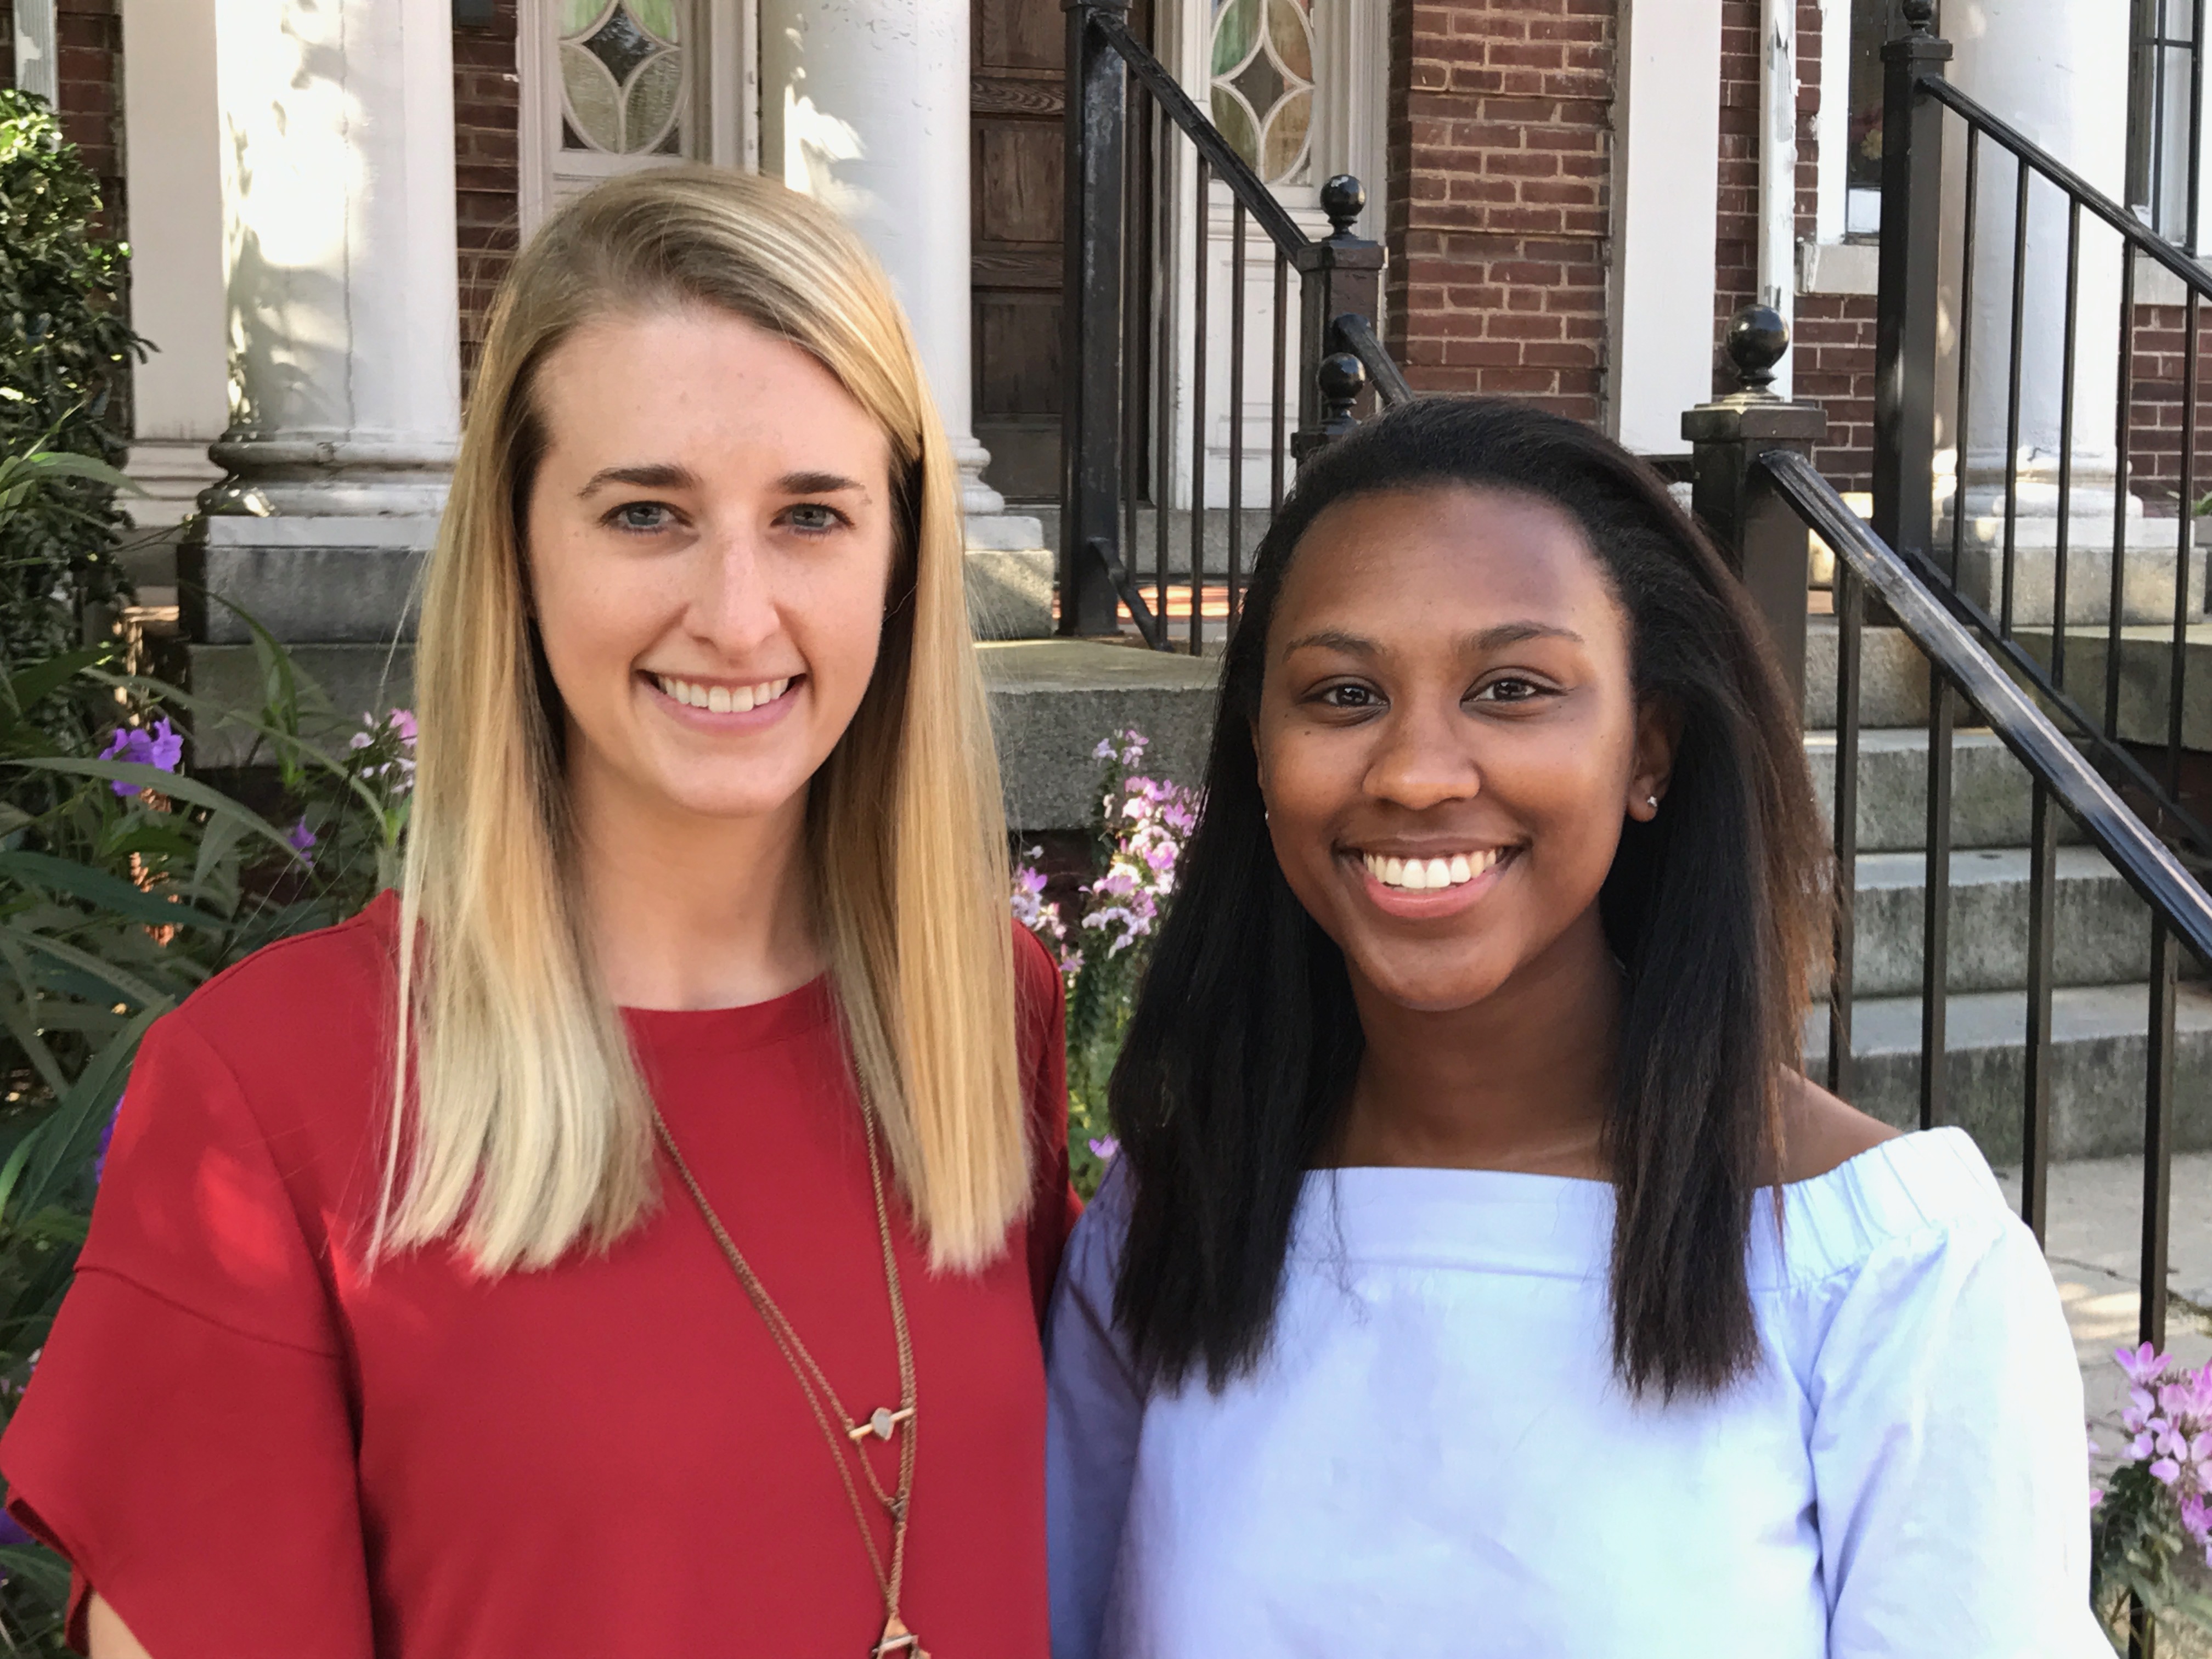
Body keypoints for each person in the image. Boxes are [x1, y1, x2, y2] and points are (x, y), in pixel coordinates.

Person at [2, 167, 1073, 1659]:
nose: (740, 613)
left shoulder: (980, 1013)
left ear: (900, 562)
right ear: (515, 553)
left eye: (814, 516)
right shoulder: (278, 1093)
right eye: (648, 513)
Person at [1045, 397, 2106, 1657]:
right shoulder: (1178, 1221)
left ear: (1647, 748)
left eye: (1512, 688)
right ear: (1262, 758)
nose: (1417, 771)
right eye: (1341, 693)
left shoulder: (1884, 1278)